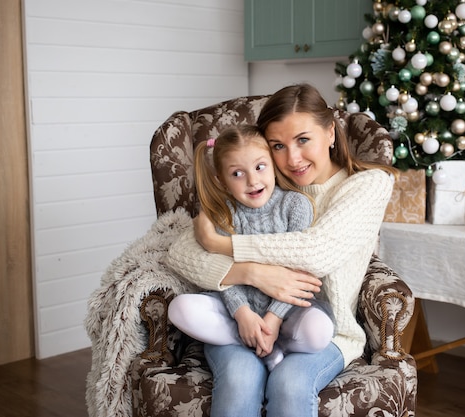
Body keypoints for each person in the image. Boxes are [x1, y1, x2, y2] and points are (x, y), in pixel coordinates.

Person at [166, 83, 397, 417]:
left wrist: (222, 246)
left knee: (290, 385)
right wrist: (248, 273)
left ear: (330, 132)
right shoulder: (259, 185)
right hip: (241, 321)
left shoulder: (367, 184)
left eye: (303, 140)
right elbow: (180, 253)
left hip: (323, 331)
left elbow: (315, 251)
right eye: (277, 145)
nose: (292, 158)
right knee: (239, 378)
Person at [167, 125, 335, 371]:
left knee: (319, 331)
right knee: (180, 309)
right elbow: (224, 272)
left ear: (273, 165)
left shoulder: (295, 205)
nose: (253, 181)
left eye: (260, 167)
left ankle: (276, 342)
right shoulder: (223, 213)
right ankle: (253, 338)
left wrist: (274, 319)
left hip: (288, 312)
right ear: (222, 181)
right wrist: (242, 314)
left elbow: (301, 269)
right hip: (238, 311)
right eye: (237, 174)